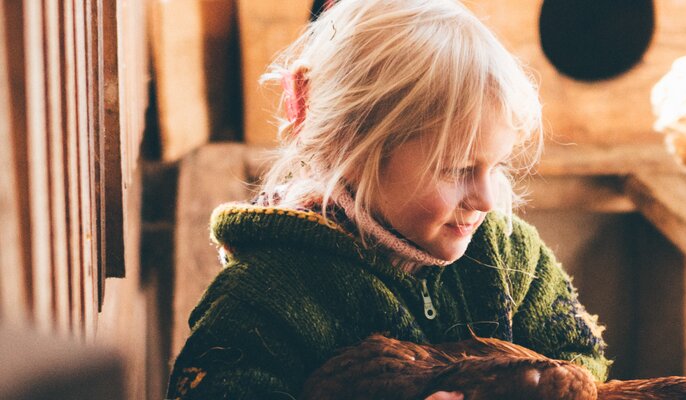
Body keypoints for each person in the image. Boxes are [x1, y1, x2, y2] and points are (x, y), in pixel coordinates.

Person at [166, 0, 610, 398]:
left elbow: (579, 355)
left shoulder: (511, 258)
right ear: (352, 149)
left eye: (495, 167)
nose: (486, 199)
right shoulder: (266, 296)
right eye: (456, 170)